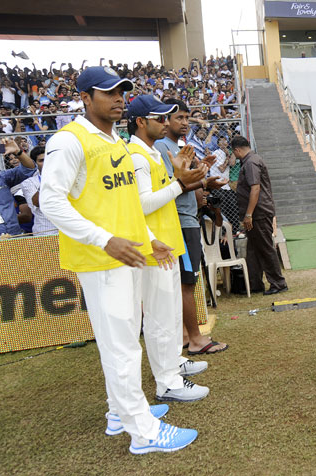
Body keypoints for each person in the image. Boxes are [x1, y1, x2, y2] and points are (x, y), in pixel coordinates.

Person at [40, 66, 198, 454]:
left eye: (121, 92)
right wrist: (104, 240)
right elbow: (50, 200)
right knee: (122, 346)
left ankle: (119, 411)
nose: (117, 98)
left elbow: (125, 206)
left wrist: (149, 240)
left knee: (124, 341)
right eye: (107, 92)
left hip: (126, 254)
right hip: (101, 259)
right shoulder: (69, 141)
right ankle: (143, 431)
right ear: (84, 97)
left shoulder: (115, 143)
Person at [127, 94, 213, 403]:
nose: (166, 123)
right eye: (160, 118)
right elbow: (142, 203)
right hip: (156, 247)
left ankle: (173, 363)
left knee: (170, 312)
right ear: (140, 122)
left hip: (167, 241)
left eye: (167, 117)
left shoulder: (147, 153)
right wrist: (179, 182)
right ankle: (167, 382)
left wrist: (180, 175)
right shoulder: (136, 155)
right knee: (160, 316)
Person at [154, 98, 229, 355]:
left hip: (186, 218)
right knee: (188, 282)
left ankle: (186, 335)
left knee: (184, 282)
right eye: (179, 118)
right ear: (166, 120)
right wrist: (204, 182)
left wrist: (203, 175)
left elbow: (185, 182)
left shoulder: (178, 147)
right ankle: (196, 340)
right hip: (179, 221)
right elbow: (175, 187)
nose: (185, 123)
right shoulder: (163, 148)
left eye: (187, 118)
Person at [231, 135, 288, 295]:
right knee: (253, 250)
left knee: (264, 248)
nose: (234, 156)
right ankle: (255, 284)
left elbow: (255, 188)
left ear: (237, 150)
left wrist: (248, 214)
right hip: (257, 212)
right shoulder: (252, 160)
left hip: (258, 213)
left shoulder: (250, 163)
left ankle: (278, 283)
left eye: (233, 153)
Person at [19, 146, 56, 235]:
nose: (46, 162)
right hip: (45, 232)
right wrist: (47, 179)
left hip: (69, 231)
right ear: (35, 164)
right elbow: (36, 203)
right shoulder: (29, 183)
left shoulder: (67, 177)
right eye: (41, 160)